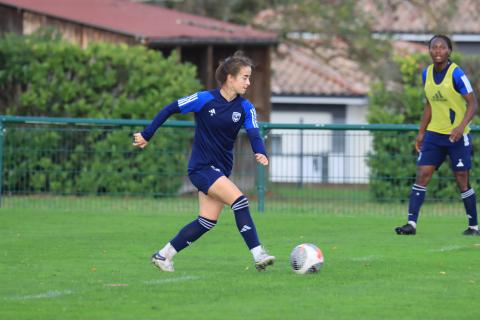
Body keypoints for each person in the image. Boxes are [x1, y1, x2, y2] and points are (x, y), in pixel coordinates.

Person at [133, 51, 276, 271]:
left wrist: (260, 151)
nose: (249, 82)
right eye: (244, 77)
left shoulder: (245, 107)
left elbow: (254, 133)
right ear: (230, 77)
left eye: (249, 78)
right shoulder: (203, 99)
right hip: (201, 168)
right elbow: (170, 108)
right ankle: (258, 254)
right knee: (240, 201)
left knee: (206, 221)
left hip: (220, 170)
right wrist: (147, 134)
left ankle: (163, 256)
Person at [395, 34, 479, 236]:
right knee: (422, 174)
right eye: (434, 47)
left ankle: (473, 226)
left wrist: (460, 127)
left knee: (461, 179)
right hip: (434, 135)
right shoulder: (427, 74)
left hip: (456, 136)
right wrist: (421, 132)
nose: (438, 51)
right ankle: (411, 224)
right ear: (429, 51)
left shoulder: (457, 74)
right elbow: (429, 105)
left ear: (449, 51)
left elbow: (473, 104)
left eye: (442, 47)